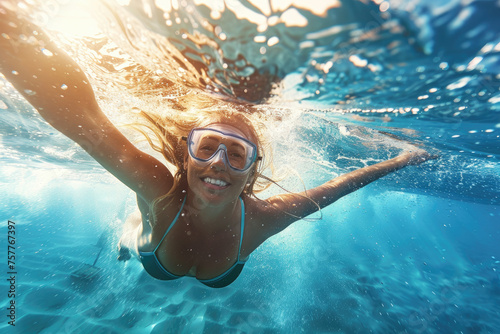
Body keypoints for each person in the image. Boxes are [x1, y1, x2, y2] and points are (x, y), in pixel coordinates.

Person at [0, 6, 436, 288]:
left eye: (237, 154)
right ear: (186, 156)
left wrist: (404, 158)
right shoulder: (161, 189)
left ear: (252, 169)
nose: (219, 164)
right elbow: (85, 123)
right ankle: (123, 236)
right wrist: (13, 37)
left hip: (187, 258)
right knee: (130, 235)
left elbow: (344, 183)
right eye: (207, 147)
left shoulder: (265, 218)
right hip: (150, 246)